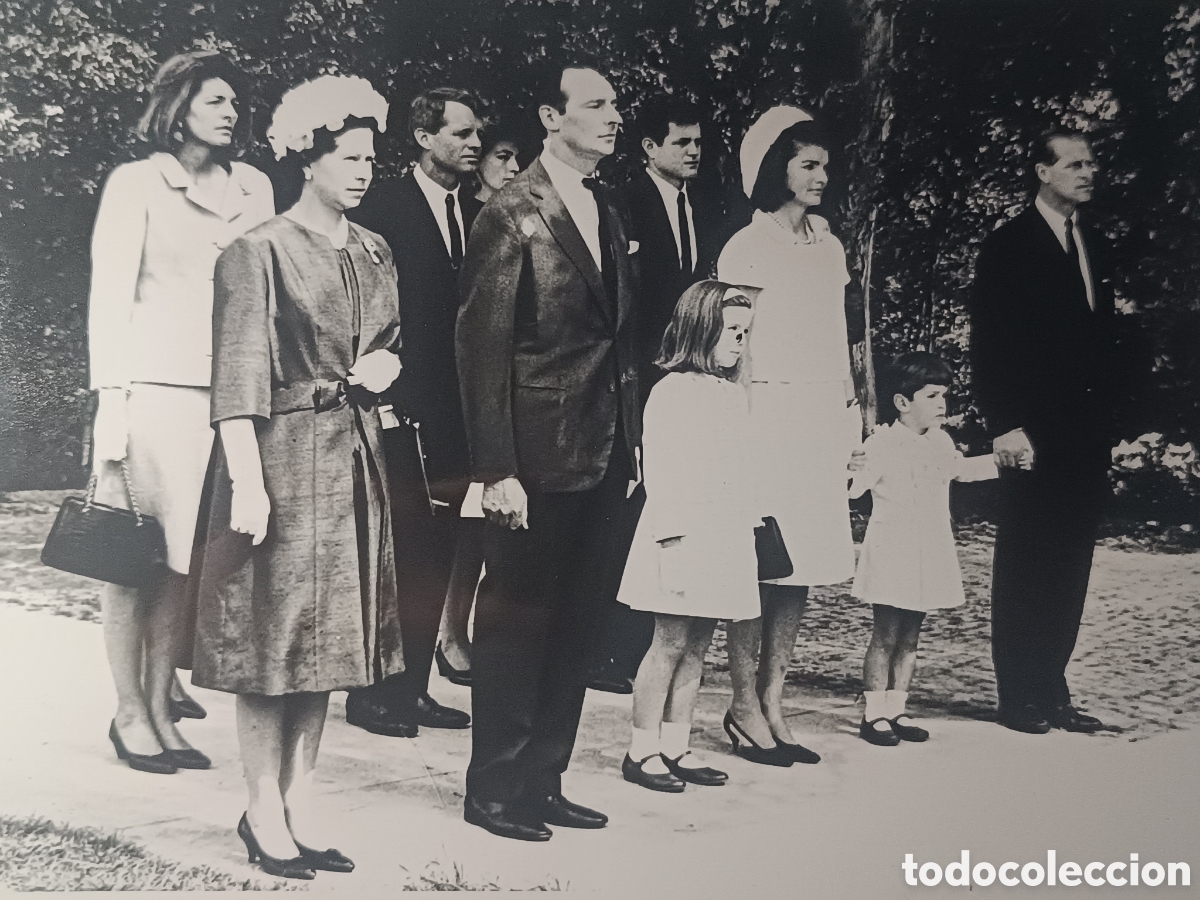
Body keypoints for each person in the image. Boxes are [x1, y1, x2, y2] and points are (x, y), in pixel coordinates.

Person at [189, 75, 401, 879]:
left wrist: (383, 370)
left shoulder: (376, 248)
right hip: (279, 459)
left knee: (332, 645)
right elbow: (236, 378)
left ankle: (301, 802)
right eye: (346, 156)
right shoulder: (257, 251)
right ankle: (260, 809)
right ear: (305, 159)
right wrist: (247, 481)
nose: (361, 169)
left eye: (370, 158)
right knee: (270, 642)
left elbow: (387, 346)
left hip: (354, 457)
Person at [456, 61, 640, 841]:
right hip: (533, 456)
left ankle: (544, 777)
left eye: (614, 105)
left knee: (578, 621)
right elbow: (480, 347)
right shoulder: (508, 211)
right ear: (549, 115)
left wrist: (634, 442)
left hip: (604, 451)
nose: (612, 117)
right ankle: (494, 786)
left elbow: (616, 340)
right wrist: (498, 469)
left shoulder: (610, 206)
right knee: (517, 622)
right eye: (594, 105)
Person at [87, 51, 274, 775]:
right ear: (179, 105)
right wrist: (111, 404)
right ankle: (128, 710)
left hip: (224, 404)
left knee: (182, 565)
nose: (231, 113)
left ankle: (163, 706)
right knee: (128, 559)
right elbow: (110, 299)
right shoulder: (136, 183)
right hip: (150, 393)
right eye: (216, 100)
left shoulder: (252, 189)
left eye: (235, 102)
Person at [717, 107, 863, 767]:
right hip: (764, 414)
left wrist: (848, 416)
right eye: (808, 164)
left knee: (799, 565)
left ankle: (775, 699)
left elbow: (839, 340)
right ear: (780, 168)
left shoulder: (830, 247)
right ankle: (742, 701)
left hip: (818, 419)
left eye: (825, 167)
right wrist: (739, 423)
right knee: (762, 560)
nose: (820, 177)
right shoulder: (747, 246)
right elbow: (736, 341)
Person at [343, 87, 483, 738]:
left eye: (477, 133)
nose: (474, 143)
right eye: (461, 132)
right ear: (424, 137)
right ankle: (373, 695)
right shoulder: (384, 208)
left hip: (458, 412)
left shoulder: (479, 212)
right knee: (396, 553)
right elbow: (365, 310)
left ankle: (416, 686)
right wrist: (383, 399)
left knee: (441, 551)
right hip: (397, 409)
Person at [970, 128, 1120, 735]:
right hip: (1029, 434)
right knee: (1027, 560)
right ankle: (1020, 696)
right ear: (1042, 170)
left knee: (1070, 562)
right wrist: (1004, 424)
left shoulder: (1094, 244)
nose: (1088, 172)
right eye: (1075, 163)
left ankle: (1052, 688)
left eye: (1092, 163)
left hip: (1084, 435)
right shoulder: (1008, 247)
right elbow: (990, 345)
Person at [586, 96, 728, 696]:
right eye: (681, 142)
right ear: (648, 147)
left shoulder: (701, 204)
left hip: (684, 380)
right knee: (632, 512)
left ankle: (644, 645)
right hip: (637, 380)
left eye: (698, 143)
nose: (693, 152)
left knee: (673, 509)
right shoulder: (621, 203)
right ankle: (611, 652)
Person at [618, 281, 759, 792]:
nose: (740, 342)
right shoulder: (672, 391)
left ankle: (675, 746)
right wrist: (673, 543)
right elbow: (665, 472)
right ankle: (641, 750)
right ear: (701, 329)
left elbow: (738, 468)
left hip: (721, 534)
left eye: (746, 333)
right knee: (668, 643)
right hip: (680, 536)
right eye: (731, 331)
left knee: (698, 644)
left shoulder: (730, 395)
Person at [850, 353, 1001, 746]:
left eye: (944, 396)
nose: (941, 405)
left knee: (912, 636)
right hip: (892, 548)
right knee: (885, 634)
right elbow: (854, 487)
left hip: (928, 548)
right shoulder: (881, 442)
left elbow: (961, 470)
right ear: (903, 402)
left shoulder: (941, 441)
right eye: (932, 396)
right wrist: (848, 464)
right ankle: (874, 713)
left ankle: (897, 708)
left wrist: (1005, 460)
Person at [435, 120, 526, 684]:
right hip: (463, 391)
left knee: (486, 525)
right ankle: (447, 633)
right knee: (461, 522)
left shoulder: (523, 220)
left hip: (508, 393)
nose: (513, 169)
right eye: (503, 156)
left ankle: (464, 630)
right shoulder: (471, 221)